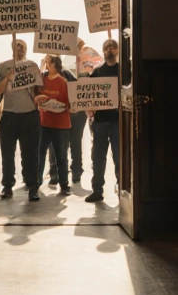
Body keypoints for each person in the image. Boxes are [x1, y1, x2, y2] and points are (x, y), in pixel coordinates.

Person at [0, 38, 43, 201]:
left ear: (26, 49)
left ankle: (32, 186)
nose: (20, 48)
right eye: (17, 46)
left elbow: (38, 90)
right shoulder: (4, 66)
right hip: (9, 114)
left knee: (30, 153)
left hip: (29, 114)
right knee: (7, 153)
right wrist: (7, 79)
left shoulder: (32, 66)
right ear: (12, 48)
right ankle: (7, 185)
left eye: (23, 46)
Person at [86, 38, 120, 203]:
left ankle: (123, 189)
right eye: (107, 48)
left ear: (117, 50)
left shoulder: (124, 70)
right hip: (99, 122)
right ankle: (97, 190)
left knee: (119, 158)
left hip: (117, 122)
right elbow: (87, 95)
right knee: (97, 157)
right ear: (103, 51)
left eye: (113, 47)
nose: (110, 50)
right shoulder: (97, 72)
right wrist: (88, 108)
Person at [37, 55, 79, 187]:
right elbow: (36, 91)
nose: (46, 64)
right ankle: (37, 181)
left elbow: (67, 103)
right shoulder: (42, 79)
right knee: (40, 153)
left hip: (60, 125)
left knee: (61, 154)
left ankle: (64, 184)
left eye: (48, 62)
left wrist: (51, 103)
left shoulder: (63, 81)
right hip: (44, 123)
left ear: (55, 65)